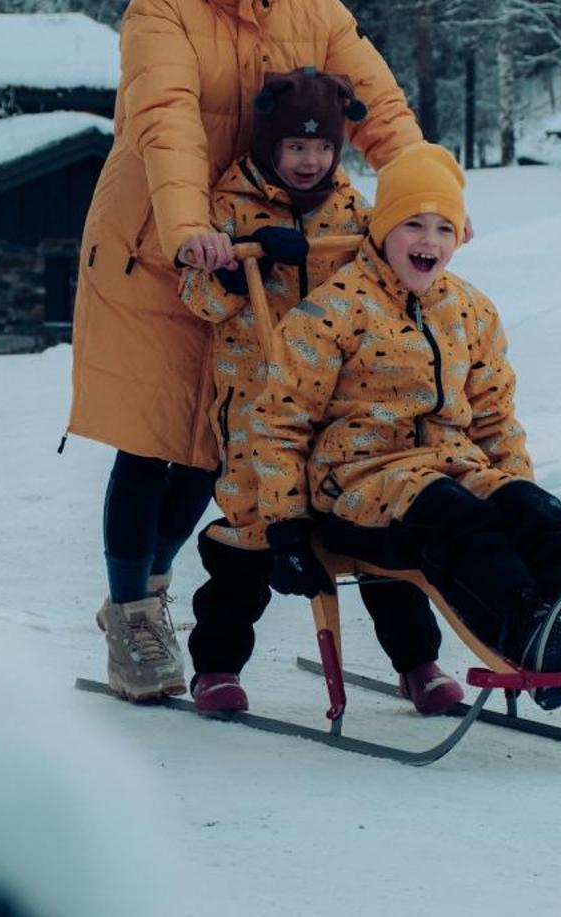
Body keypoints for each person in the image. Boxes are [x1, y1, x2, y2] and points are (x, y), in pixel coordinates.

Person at [68, 0, 423, 702]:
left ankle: (152, 590)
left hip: (266, 243)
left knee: (213, 444)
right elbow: (167, 119)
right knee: (156, 437)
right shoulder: (162, 3)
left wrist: (425, 200)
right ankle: (134, 616)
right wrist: (191, 228)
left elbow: (376, 104)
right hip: (164, 242)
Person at [238, 144, 561, 715]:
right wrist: (286, 527)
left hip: (452, 469)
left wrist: (516, 491)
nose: (428, 241)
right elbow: (280, 423)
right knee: (459, 521)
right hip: (359, 486)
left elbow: (494, 416)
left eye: (443, 227)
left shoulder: (470, 311)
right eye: (412, 224)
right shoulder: (330, 313)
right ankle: (528, 634)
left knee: (537, 512)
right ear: (383, 229)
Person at [176, 67, 462, 717]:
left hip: (339, 399)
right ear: (271, 146)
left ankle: (418, 661)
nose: (310, 160)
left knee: (376, 518)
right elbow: (197, 295)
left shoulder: (352, 208)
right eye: (296, 147)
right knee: (252, 529)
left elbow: (388, 262)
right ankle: (217, 665)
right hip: (257, 403)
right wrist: (238, 260)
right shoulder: (231, 206)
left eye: (323, 148)